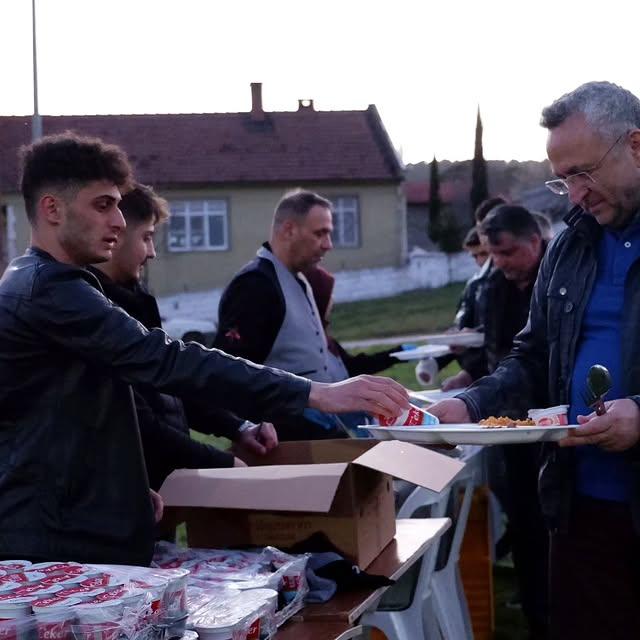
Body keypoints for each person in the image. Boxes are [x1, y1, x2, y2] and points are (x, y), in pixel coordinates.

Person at [0, 132, 409, 565]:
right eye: (103, 205)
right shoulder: (49, 288)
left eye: (118, 205)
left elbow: (63, 418)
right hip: (53, 543)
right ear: (52, 209)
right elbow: (168, 361)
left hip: (67, 523)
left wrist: (117, 489)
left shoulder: (42, 283)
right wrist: (317, 394)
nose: (119, 221)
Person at [430, 81, 640, 640]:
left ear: (636, 145)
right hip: (579, 509)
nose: (573, 195)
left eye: (584, 172)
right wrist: (469, 402)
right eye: (563, 177)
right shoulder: (570, 247)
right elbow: (533, 357)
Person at [89, 184, 276, 490]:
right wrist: (222, 463)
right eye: (147, 237)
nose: (152, 253)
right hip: (124, 491)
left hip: (161, 488)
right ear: (116, 234)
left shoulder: (136, 300)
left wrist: (238, 426)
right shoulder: (96, 313)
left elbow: (172, 388)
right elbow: (136, 421)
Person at [215, 189, 387, 439]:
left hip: (320, 436)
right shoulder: (256, 284)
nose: (328, 244)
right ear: (288, 230)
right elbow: (231, 373)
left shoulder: (300, 280)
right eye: (320, 234)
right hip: (284, 443)